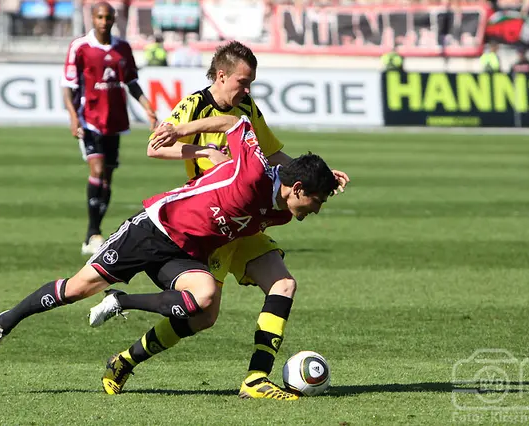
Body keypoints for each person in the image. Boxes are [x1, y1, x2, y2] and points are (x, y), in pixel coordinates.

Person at [0, 115, 341, 401]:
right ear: (297, 189)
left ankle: (122, 322)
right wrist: (181, 130)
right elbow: (234, 123)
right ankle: (5, 321)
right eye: (317, 200)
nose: (318, 209)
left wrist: (324, 179)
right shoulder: (252, 176)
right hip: (152, 229)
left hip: (187, 251)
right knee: (77, 288)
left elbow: (285, 171)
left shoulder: (283, 207)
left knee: (205, 303)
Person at [96, 41, 349, 400]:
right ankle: (124, 361)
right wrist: (202, 150)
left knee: (283, 285)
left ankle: (256, 378)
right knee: (203, 316)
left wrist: (314, 179)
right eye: (243, 82)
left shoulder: (246, 107)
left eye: (250, 84)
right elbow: (156, 146)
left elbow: (274, 152)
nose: (247, 90)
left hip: (252, 216)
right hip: (213, 222)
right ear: (222, 75)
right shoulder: (194, 104)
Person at [61, 1, 158, 255]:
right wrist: (73, 117)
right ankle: (93, 233)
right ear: (92, 18)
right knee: (97, 169)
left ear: (114, 19)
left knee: (108, 177)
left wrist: (147, 107)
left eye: (108, 17)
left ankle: (92, 233)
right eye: (100, 17)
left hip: (115, 121)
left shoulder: (122, 48)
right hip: (89, 119)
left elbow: (132, 82)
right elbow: (68, 86)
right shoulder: (80, 47)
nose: (104, 21)